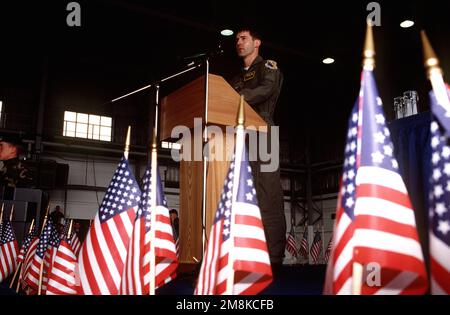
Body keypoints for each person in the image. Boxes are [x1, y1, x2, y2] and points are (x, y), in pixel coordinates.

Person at [229, 28, 286, 270]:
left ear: (257, 42)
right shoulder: (236, 77)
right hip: (239, 137)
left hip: (263, 132)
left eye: (243, 38)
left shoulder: (267, 68)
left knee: (268, 194)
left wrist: (236, 97)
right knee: (241, 194)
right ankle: (246, 253)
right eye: (237, 40)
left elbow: (266, 90)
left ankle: (273, 258)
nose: (239, 43)